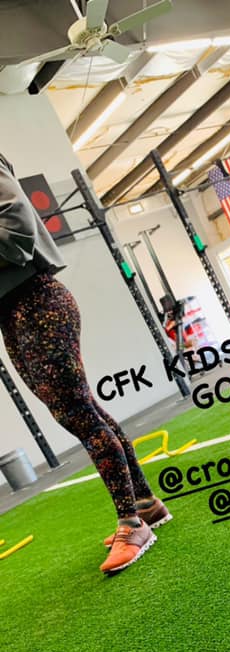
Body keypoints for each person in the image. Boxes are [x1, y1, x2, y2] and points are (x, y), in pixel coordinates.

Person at [0, 154, 171, 576]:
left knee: (78, 413)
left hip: (37, 302)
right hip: (13, 314)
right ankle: (146, 504)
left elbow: (17, 232)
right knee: (80, 411)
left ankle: (132, 524)